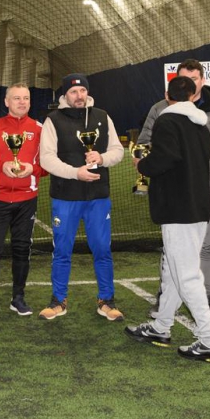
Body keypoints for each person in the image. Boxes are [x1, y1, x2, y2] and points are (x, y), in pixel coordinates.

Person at [125, 77, 210, 363]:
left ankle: (209, 340)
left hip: (177, 208)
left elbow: (164, 159)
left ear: (166, 95)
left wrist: (142, 164)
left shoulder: (167, 120)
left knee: (186, 275)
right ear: (193, 95)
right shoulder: (200, 124)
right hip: (196, 206)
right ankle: (161, 326)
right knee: (172, 270)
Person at [138, 59, 210, 320]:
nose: (189, 84)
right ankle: (166, 298)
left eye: (194, 79)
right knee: (171, 249)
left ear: (202, 80)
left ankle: (209, 297)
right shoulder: (160, 109)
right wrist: (144, 163)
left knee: (208, 247)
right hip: (176, 194)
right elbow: (144, 144)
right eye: (183, 79)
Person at [39, 73, 125, 321]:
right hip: (65, 197)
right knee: (62, 251)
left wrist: (102, 158)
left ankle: (106, 301)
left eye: (83, 91)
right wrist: (75, 173)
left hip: (98, 197)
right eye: (74, 92)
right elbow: (46, 158)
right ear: (65, 95)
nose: (79, 96)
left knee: (102, 249)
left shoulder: (102, 116)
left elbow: (118, 150)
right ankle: (58, 301)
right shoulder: (53, 120)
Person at [0, 83, 46, 319]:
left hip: (27, 200)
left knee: (22, 249)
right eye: (17, 98)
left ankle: (18, 298)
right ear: (6, 102)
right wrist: (0, 166)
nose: (22, 102)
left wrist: (32, 169)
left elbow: (48, 163)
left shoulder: (39, 128)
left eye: (26, 98)